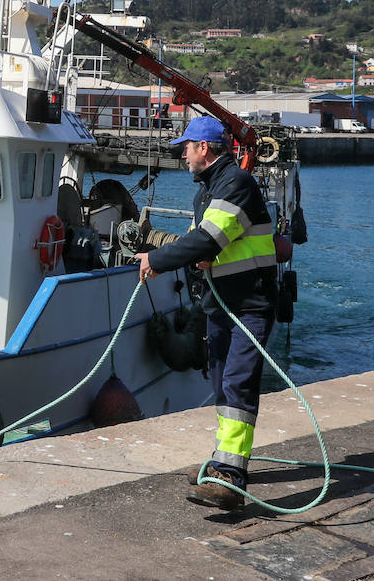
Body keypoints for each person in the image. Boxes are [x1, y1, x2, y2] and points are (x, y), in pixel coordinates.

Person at [134, 116, 278, 510]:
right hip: (221, 306)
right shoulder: (210, 190)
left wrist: (158, 259)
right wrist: (204, 258)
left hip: (249, 306)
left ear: (205, 148)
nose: (183, 154)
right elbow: (217, 244)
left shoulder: (236, 184)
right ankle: (224, 461)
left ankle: (230, 478)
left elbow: (208, 237)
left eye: (187, 147)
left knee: (236, 387)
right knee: (221, 384)